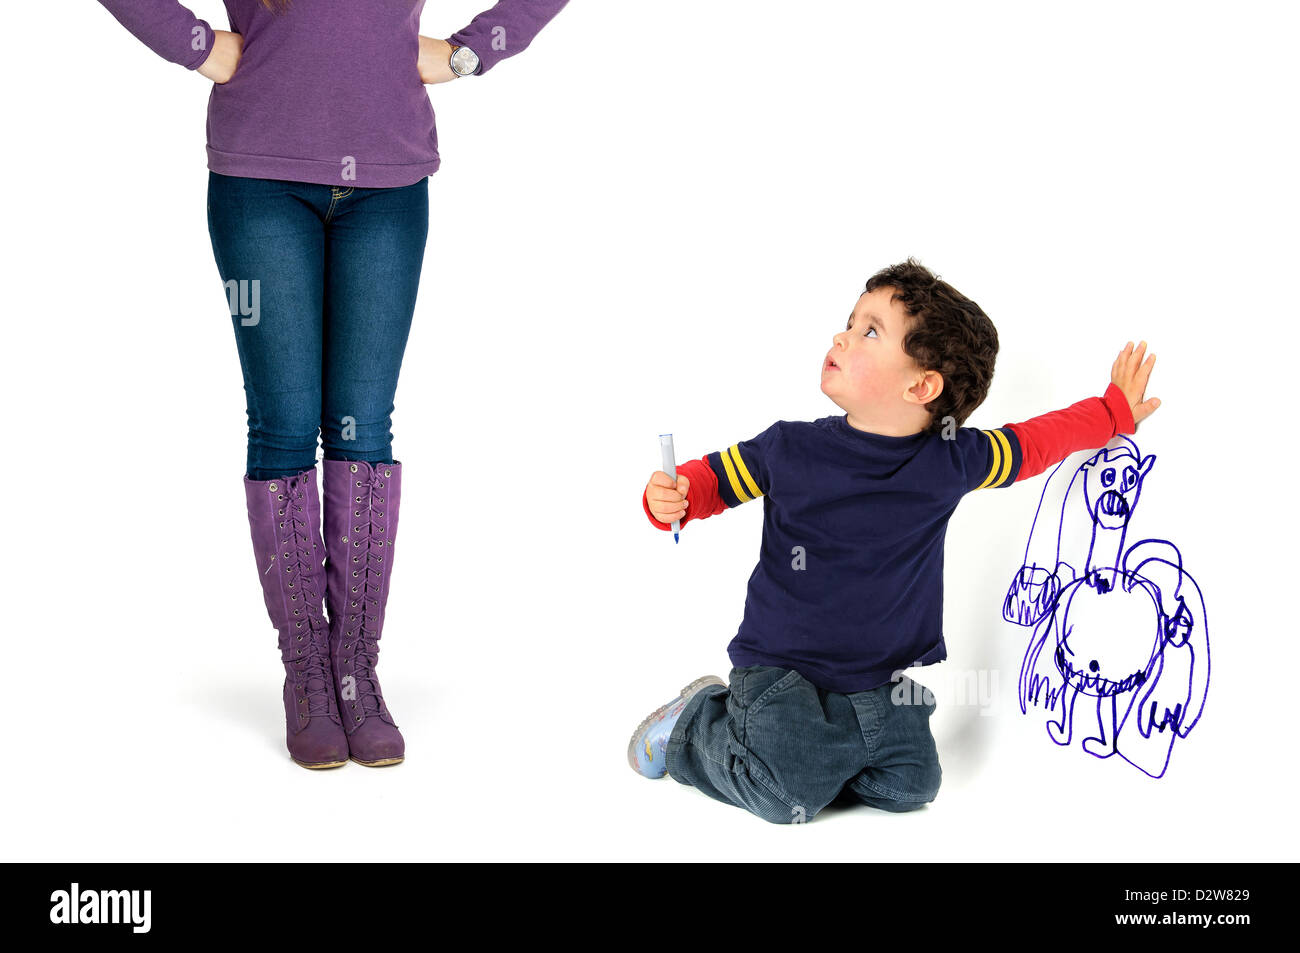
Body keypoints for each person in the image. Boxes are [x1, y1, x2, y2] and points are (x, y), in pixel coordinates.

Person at [97, 0, 570, 768]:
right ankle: (307, 672)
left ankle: (355, 667)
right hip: (258, 179)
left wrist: (469, 52)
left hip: (388, 182)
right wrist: (193, 45)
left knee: (363, 425)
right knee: (283, 423)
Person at [632, 258, 1161, 823]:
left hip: (874, 678)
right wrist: (674, 495)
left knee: (914, 787)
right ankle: (695, 722)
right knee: (786, 795)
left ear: (922, 386)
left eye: (870, 331)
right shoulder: (788, 448)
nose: (842, 335)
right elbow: (708, 482)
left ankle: (823, 746)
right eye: (852, 322)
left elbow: (1032, 445)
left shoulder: (951, 460)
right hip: (779, 666)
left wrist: (1112, 413)